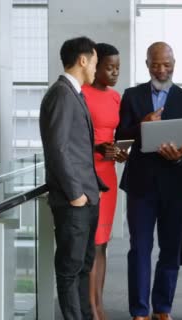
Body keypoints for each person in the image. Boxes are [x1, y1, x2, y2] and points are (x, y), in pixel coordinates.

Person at [116, 42, 182, 320]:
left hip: (175, 185)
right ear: (147, 63)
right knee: (139, 248)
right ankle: (139, 311)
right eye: (156, 64)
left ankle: (162, 309)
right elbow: (121, 140)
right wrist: (143, 125)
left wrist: (180, 157)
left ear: (174, 62)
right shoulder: (131, 96)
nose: (162, 70)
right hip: (140, 186)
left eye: (167, 64)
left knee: (170, 249)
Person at [39, 36, 109, 320]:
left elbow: (75, 145)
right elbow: (57, 149)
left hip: (87, 197)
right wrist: (75, 194)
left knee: (83, 265)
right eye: (94, 62)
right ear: (82, 60)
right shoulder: (61, 94)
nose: (96, 68)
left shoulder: (74, 93)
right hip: (75, 201)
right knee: (69, 269)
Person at [81, 42, 127, 320]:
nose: (114, 73)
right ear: (95, 67)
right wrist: (97, 149)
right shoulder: (81, 94)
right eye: (109, 67)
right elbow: (72, 139)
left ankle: (100, 304)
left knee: (103, 243)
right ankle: (91, 308)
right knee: (91, 243)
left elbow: (114, 134)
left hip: (108, 171)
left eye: (118, 68)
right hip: (88, 171)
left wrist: (119, 152)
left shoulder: (115, 97)